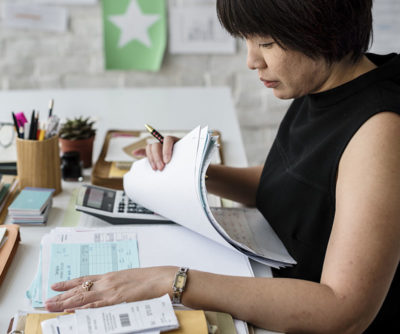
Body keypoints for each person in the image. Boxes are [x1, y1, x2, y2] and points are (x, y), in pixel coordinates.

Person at [45, 0, 400, 332]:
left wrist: (172, 281)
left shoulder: (381, 129)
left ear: (322, 30)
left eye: (266, 43)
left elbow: (345, 310)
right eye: (247, 40)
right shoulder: (325, 83)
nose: (251, 61)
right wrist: (191, 172)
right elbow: (297, 183)